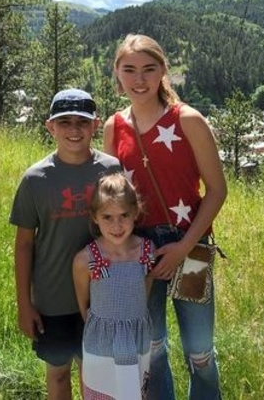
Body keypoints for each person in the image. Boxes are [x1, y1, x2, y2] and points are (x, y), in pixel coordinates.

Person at [103, 34, 228, 400]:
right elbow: (113, 196)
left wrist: (183, 247)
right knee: (151, 348)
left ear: (163, 71)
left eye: (148, 69)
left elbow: (217, 190)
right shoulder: (113, 127)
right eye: (129, 70)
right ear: (117, 72)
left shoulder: (187, 120)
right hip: (138, 249)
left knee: (200, 352)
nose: (139, 80)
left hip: (191, 245)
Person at [10, 88, 121, 400]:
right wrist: (24, 304)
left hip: (100, 298)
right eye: (65, 122)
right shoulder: (35, 179)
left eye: (82, 122)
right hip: (52, 298)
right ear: (51, 127)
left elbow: (126, 225)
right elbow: (24, 245)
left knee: (95, 376)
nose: (74, 130)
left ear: (95, 125)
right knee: (58, 374)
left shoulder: (111, 169)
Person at [73, 171, 157, 400]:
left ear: (135, 212)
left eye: (124, 215)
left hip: (137, 340)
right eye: (107, 217)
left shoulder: (147, 252)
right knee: (103, 394)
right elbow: (84, 303)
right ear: (95, 217)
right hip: (102, 344)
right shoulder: (85, 259)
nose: (117, 225)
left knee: (134, 393)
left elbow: (145, 290)